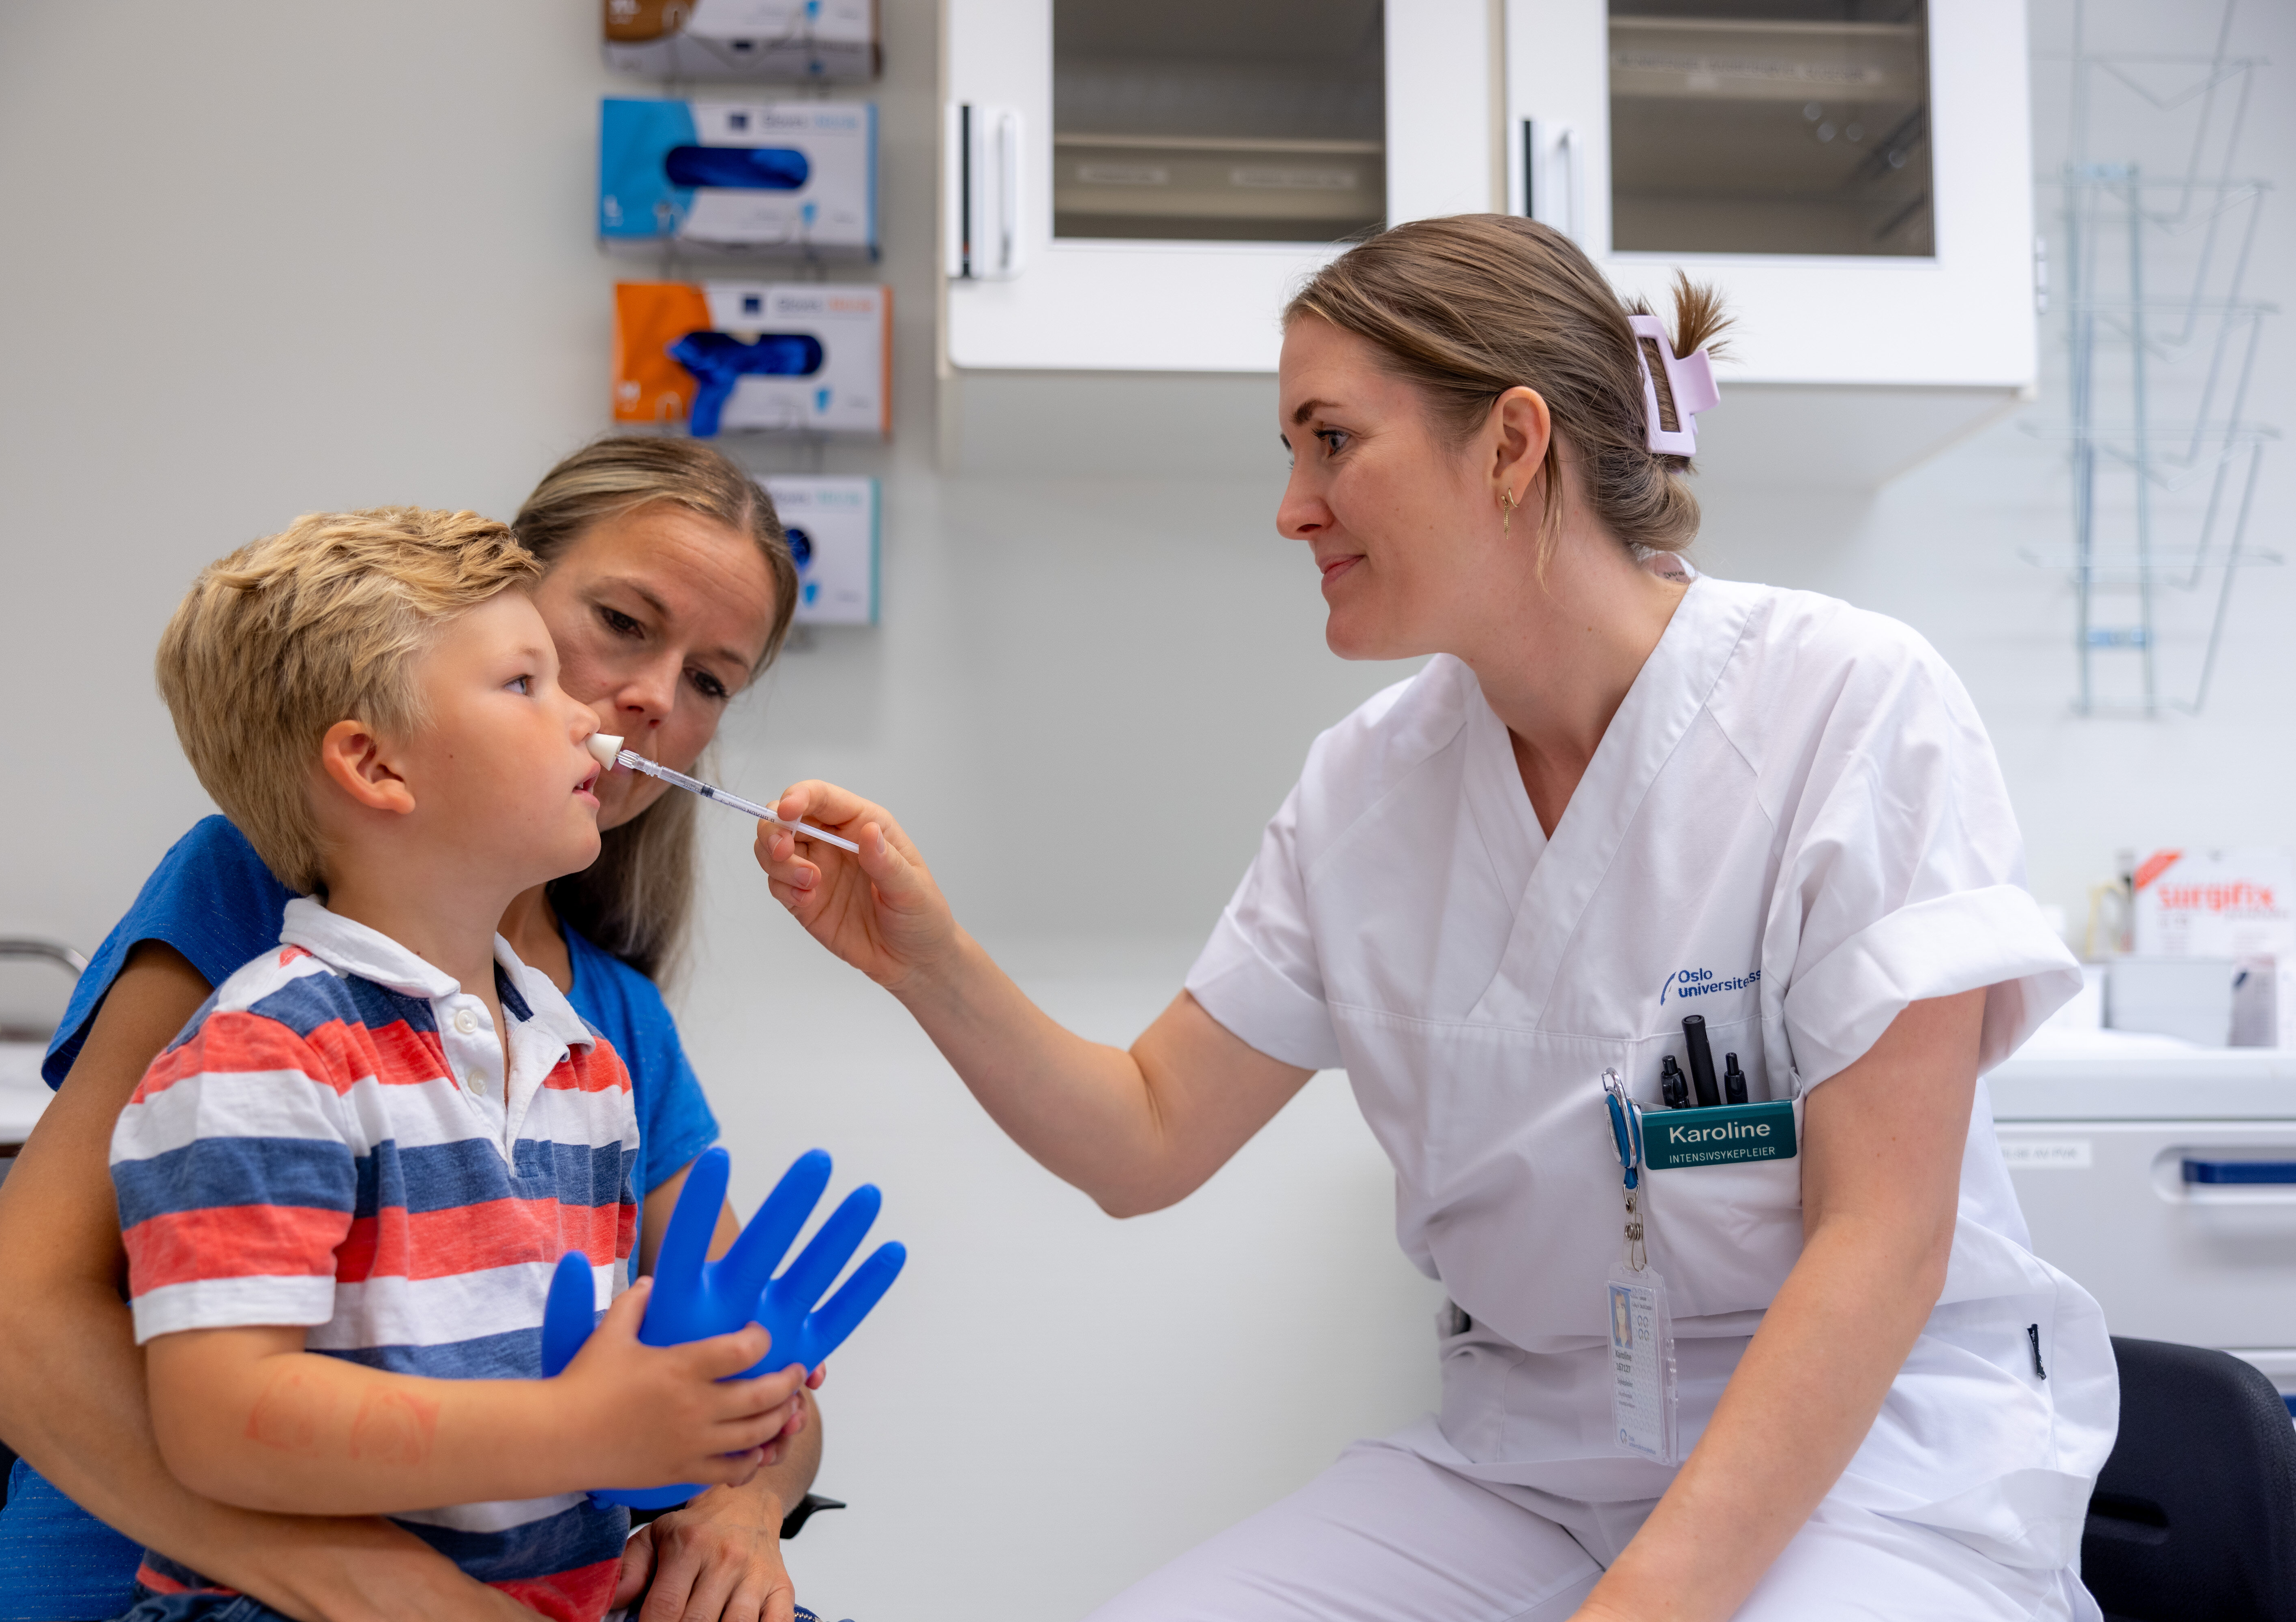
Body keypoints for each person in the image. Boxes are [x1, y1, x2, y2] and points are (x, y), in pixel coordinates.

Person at [752, 215, 2117, 1622]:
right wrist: (933, 966)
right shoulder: (1367, 788)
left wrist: (1638, 1607)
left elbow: (1881, 1239)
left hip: (1870, 1462)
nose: (1293, 503)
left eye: (1331, 440)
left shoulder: (1848, 707)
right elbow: (1148, 1135)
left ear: (1513, 446)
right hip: (1526, 1461)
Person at [0, 439, 826, 1622]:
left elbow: (739, 1351)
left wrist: (741, 1502)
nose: (654, 699)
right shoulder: (255, 934)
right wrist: (415, 1589)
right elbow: (6, 1334)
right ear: (509, 591)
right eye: (621, 621)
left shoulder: (598, 1033)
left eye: (712, 680)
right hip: (159, 1581)